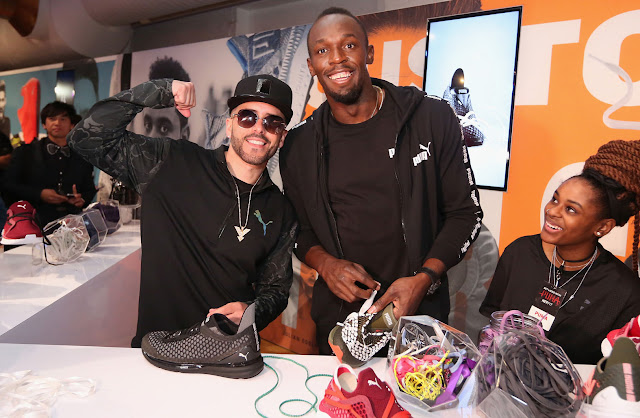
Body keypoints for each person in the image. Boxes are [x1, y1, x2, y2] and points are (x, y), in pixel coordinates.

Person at [279, 8, 483, 353]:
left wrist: (424, 279)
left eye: (349, 45)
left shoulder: (431, 117)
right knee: (346, 391)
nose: (337, 59)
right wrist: (326, 264)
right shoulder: (298, 145)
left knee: (416, 391)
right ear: (312, 66)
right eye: (323, 50)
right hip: (340, 320)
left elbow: (466, 214)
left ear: (369, 53)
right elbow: (297, 229)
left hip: (420, 318)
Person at [68, 75, 298, 348]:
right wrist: (161, 90)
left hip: (227, 352)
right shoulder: (170, 163)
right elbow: (85, 139)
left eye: (272, 122)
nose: (259, 129)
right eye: (247, 117)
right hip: (157, 349)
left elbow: (275, 290)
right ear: (229, 125)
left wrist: (252, 313)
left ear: (281, 137)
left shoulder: (281, 210)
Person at [480, 139, 640, 364]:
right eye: (555, 199)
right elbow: (492, 324)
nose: (552, 211)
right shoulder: (519, 253)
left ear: (603, 227)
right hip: (500, 379)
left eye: (571, 209)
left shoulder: (624, 292)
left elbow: (615, 370)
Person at [2, 101, 95, 227]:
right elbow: (8, 185)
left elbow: (89, 189)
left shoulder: (82, 155)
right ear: (44, 124)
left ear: (72, 125)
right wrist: (39, 194)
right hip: (33, 222)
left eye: (63, 119)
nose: (57, 123)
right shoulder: (25, 152)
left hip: (72, 223)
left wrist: (82, 199)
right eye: (52, 119)